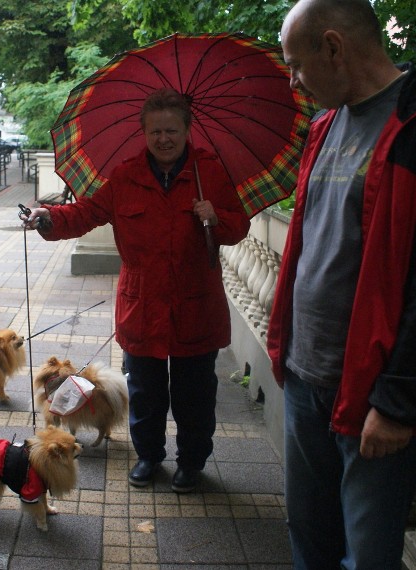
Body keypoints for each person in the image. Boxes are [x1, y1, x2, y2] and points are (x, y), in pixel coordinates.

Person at [265, 1, 416, 568]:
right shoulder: (323, 126)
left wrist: (399, 403)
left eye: (296, 65)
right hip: (304, 377)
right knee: (309, 539)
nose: (293, 81)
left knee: (367, 556)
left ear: (334, 48)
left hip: (373, 394)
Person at [21, 88, 250, 493]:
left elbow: (239, 226)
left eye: (172, 130)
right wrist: (48, 219)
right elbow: (86, 212)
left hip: (196, 305)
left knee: (194, 395)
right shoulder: (125, 176)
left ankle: (191, 463)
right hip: (141, 304)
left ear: (186, 130)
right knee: (144, 392)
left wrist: (216, 216)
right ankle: (149, 457)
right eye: (156, 131)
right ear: (144, 132)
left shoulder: (209, 173)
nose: (164, 139)